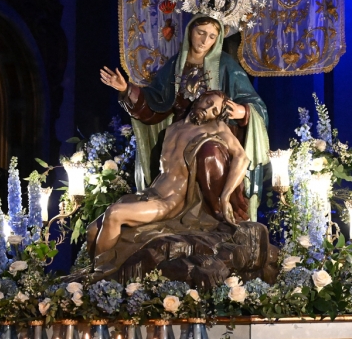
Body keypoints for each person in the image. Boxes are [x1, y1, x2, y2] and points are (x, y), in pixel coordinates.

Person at [101, 14, 268, 221]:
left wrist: (242, 112)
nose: (205, 41)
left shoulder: (225, 65)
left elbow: (255, 103)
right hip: (181, 131)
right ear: (190, 31)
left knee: (210, 153)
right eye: (201, 33)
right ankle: (170, 209)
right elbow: (155, 103)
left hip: (215, 135)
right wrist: (127, 89)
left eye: (212, 36)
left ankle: (217, 212)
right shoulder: (175, 65)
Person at [86, 91, 249, 272]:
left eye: (215, 110)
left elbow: (242, 158)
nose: (209, 109)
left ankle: (100, 274)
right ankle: (93, 272)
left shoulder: (215, 128)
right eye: (209, 102)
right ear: (199, 98)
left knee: (115, 213)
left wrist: (225, 196)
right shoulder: (172, 128)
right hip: (149, 193)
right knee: (92, 229)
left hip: (169, 202)